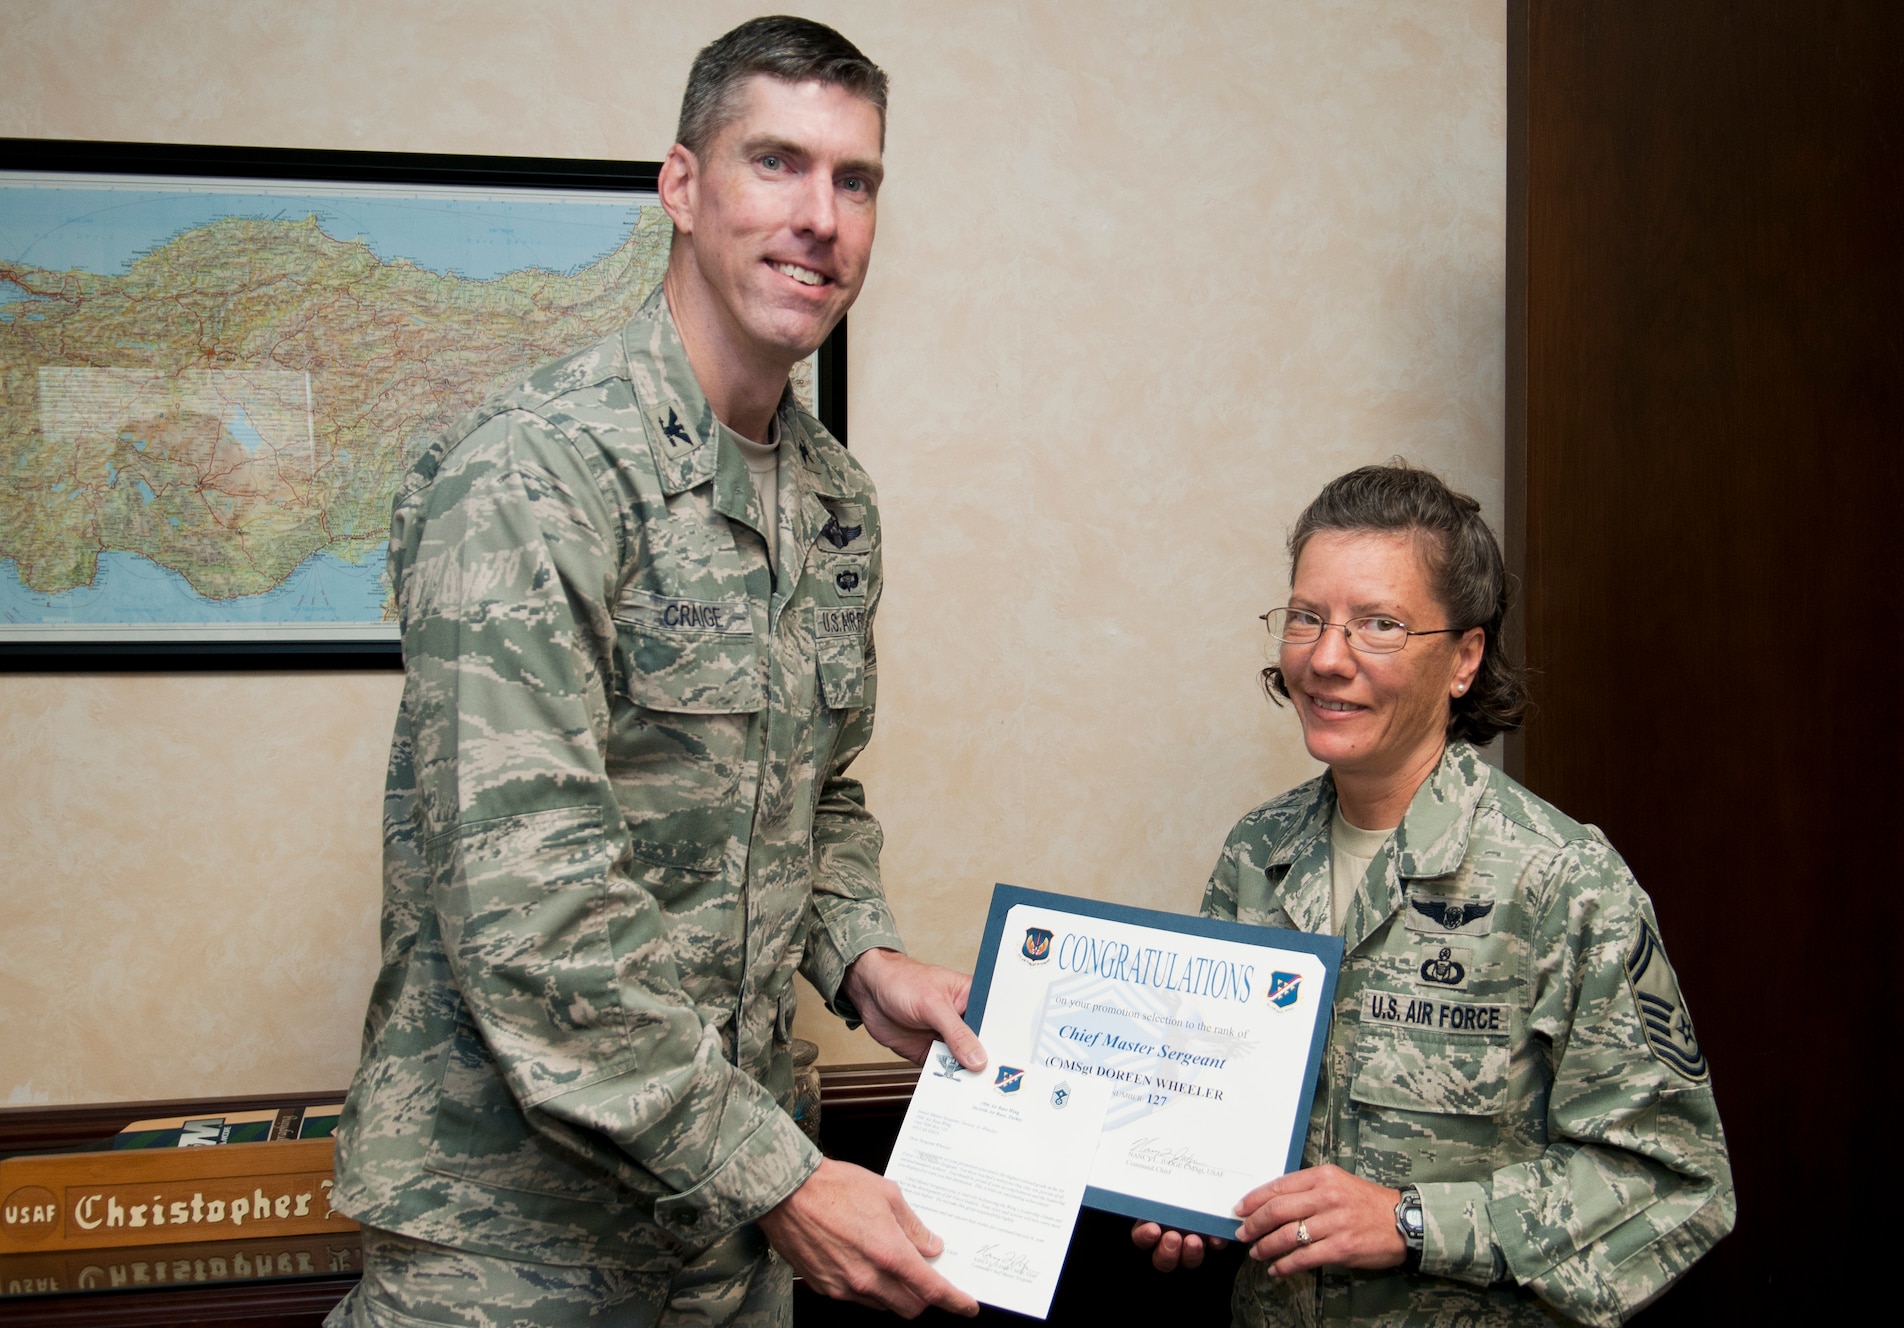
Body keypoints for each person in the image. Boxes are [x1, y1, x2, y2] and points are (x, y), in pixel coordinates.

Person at [327, 17, 983, 1326]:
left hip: (723, 1253)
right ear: (682, 187)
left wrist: (863, 958)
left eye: (855, 181)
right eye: (777, 164)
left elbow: (810, 794)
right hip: (513, 1248)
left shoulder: (833, 502)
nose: (820, 217)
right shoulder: (537, 474)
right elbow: (531, 912)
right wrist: (784, 1179)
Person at [1133, 464, 1734, 1325]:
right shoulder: (1255, 854)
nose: (1326, 658)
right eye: (1307, 617)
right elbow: (1208, 1102)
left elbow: (1674, 1180)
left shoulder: (1562, 881)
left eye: (1378, 625)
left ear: (1463, 657)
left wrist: (1414, 1223)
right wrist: (1179, 1188)